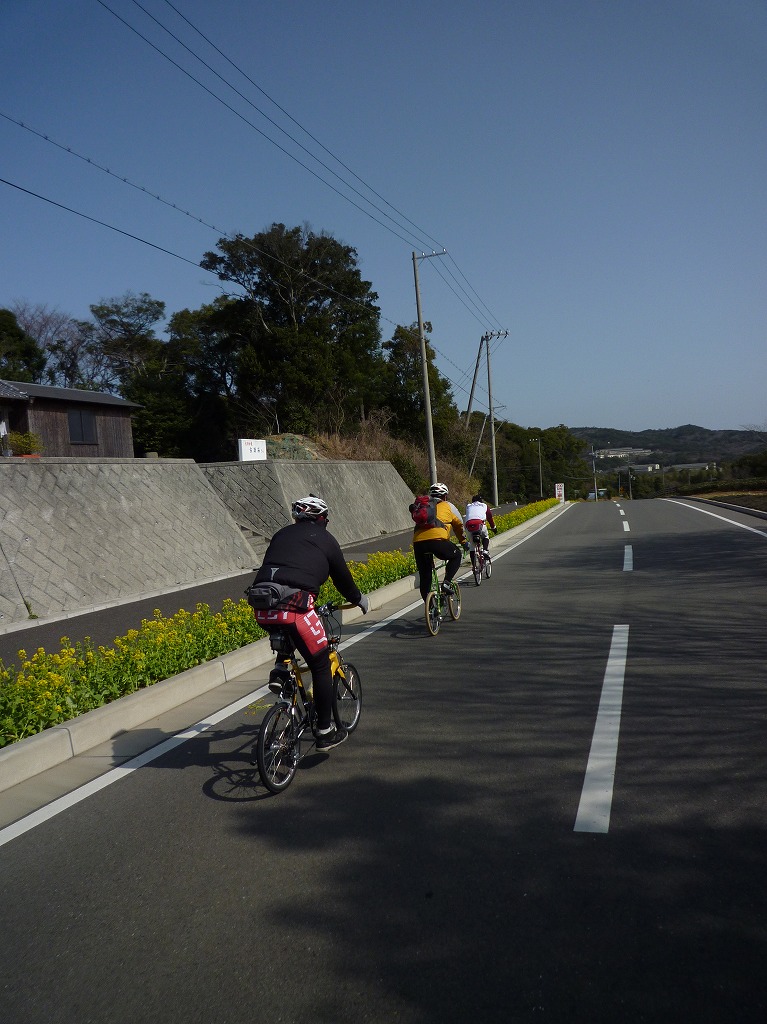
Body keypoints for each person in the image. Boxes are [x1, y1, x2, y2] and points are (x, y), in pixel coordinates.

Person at [249, 495, 368, 750]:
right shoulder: (326, 539)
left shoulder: (281, 535)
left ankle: (281, 669)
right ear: (322, 519)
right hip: (296, 607)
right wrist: (358, 599)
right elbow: (342, 579)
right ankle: (324, 732)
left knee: (286, 632)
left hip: (262, 605)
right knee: (321, 664)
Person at [411, 482, 467, 603]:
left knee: (425, 577)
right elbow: (459, 525)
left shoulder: (423, 507)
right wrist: (463, 542)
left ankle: (431, 609)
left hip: (418, 543)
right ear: (445, 496)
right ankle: (446, 583)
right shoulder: (448, 506)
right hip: (438, 541)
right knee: (456, 555)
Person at [464, 493, 497, 563]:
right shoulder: (484, 506)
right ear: (481, 501)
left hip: (468, 525)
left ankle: (474, 567)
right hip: (479, 524)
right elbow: (490, 518)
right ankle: (485, 550)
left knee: (472, 547)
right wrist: (493, 527)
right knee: (485, 536)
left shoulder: (468, 506)